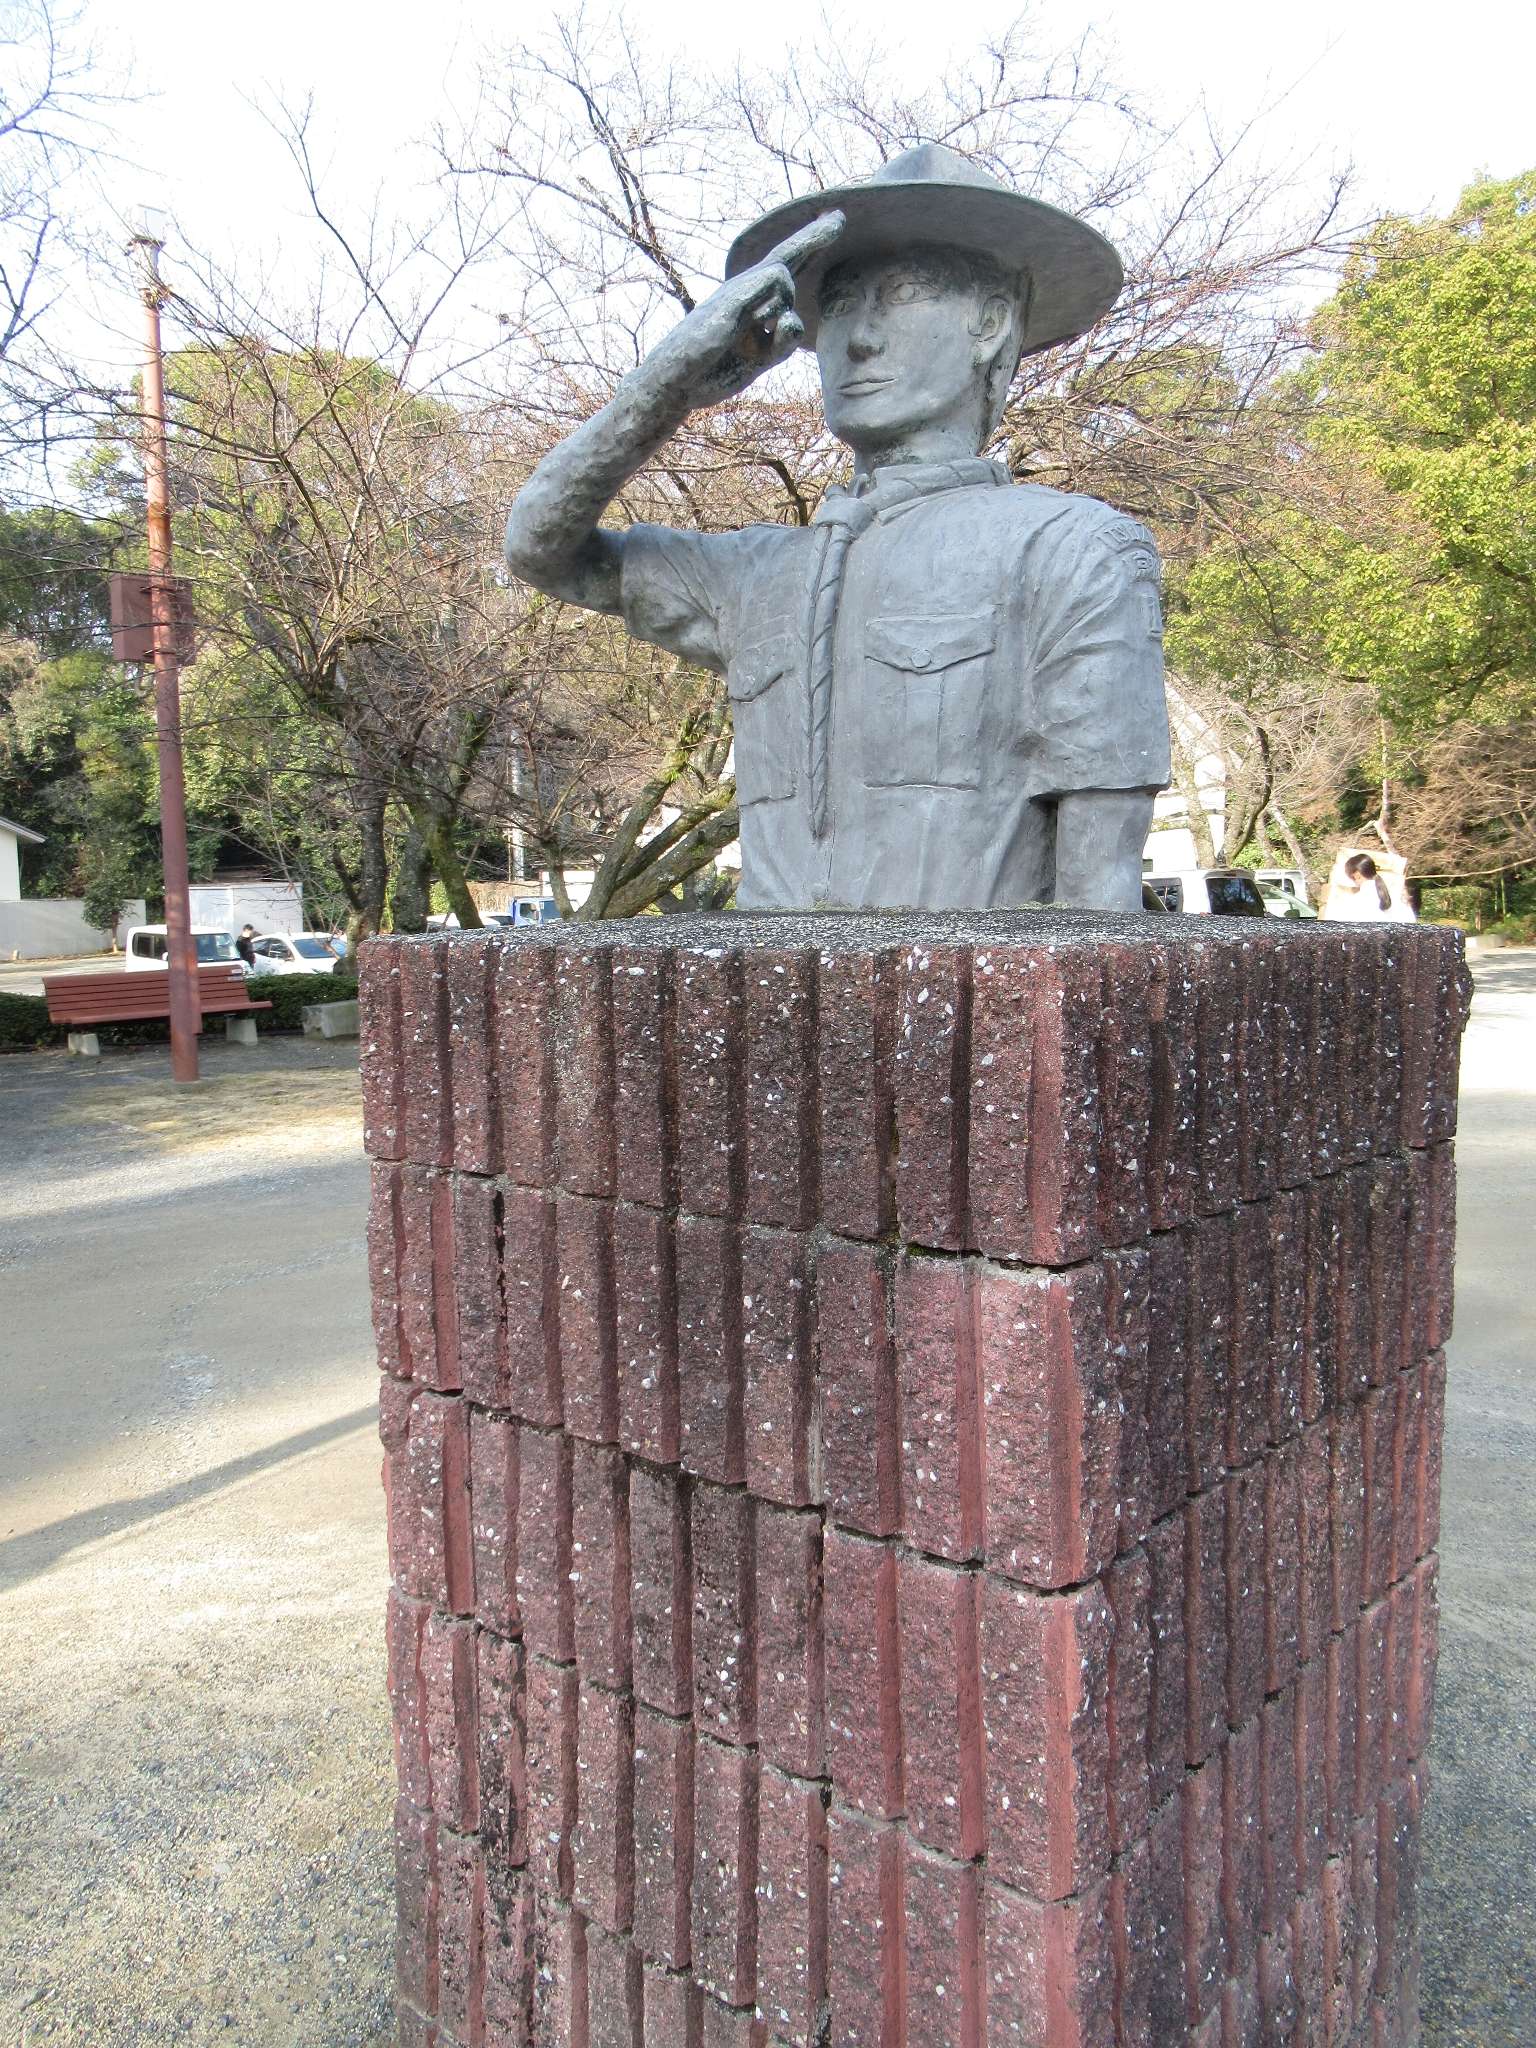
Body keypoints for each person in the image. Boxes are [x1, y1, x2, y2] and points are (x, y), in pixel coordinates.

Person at [505, 145, 1170, 913]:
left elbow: (1099, 900)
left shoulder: (1074, 549)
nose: (858, 337)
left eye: (906, 294)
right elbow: (541, 548)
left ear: (991, 323)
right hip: (765, 1009)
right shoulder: (755, 571)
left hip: (965, 1013)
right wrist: (666, 388)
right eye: (843, 302)